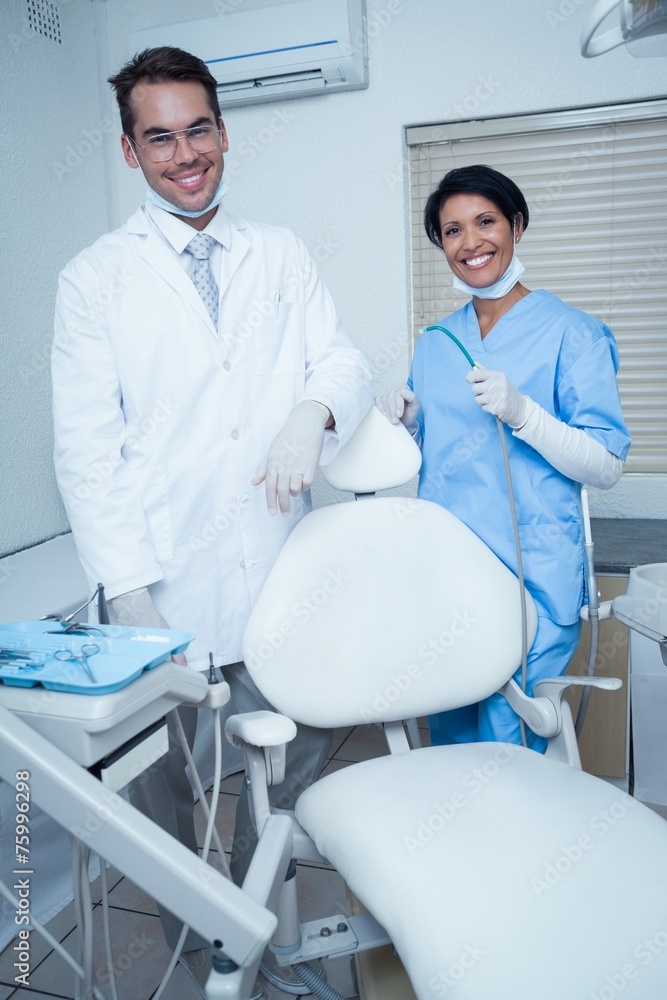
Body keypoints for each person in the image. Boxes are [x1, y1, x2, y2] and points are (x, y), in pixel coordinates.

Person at [52, 45, 372, 998]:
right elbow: (85, 450)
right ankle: (212, 961)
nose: (184, 153)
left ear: (223, 132)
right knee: (169, 803)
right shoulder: (93, 279)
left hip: (278, 565)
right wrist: (133, 595)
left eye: (198, 129)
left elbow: (343, 362)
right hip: (164, 586)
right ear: (129, 151)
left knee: (287, 766)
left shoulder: (281, 253)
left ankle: (265, 934)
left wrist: (310, 414)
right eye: (160, 137)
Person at [376, 164, 631, 753]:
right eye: (453, 230)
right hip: (449, 576)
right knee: (450, 731)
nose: (471, 243)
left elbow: (606, 466)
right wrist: (407, 425)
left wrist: (525, 414)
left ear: (516, 225)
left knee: (506, 746)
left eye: (485, 221)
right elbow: (437, 462)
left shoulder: (573, 333)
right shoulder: (435, 343)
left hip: (534, 580)